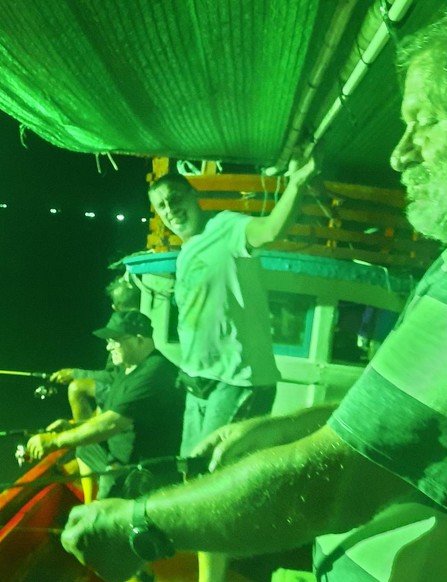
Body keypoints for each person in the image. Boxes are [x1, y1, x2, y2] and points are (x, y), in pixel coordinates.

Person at [60, 1, 447, 580]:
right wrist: (289, 426)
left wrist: (138, 524)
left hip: (233, 383)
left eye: (424, 119)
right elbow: (429, 424)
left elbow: (334, 482)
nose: (399, 151)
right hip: (202, 382)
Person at [147, 149, 316, 581]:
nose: (170, 211)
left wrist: (295, 184)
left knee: (212, 482)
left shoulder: (227, 227)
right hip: (200, 383)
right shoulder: (185, 253)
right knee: (193, 475)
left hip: (239, 381)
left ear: (193, 196)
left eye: (175, 199)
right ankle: (231, 561)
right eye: (161, 207)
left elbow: (271, 229)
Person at [27, 310, 185, 502]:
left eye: (114, 340)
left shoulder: (154, 372)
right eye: (107, 341)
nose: (108, 347)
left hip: (139, 466)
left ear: (139, 339)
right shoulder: (128, 368)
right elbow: (107, 415)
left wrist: (54, 441)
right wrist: (74, 428)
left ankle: (100, 508)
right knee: (84, 449)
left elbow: (110, 424)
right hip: (119, 451)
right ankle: (88, 502)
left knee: (100, 517)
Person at [49, 276, 143, 426]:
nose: (108, 346)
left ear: (115, 307)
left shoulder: (122, 329)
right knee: (98, 399)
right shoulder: (144, 322)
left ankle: (88, 444)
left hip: (128, 389)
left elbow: (115, 376)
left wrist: (74, 374)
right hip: (128, 385)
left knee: (77, 388)